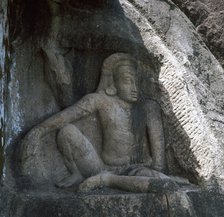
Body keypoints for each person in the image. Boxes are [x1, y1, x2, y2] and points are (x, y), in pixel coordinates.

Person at [22, 53, 167, 190]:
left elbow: (159, 161)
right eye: (127, 81)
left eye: (136, 81)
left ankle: (107, 180)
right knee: (67, 131)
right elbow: (67, 116)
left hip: (139, 170)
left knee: (158, 182)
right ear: (113, 83)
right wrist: (38, 131)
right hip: (100, 167)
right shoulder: (101, 101)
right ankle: (79, 173)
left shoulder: (149, 108)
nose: (134, 87)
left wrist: (157, 171)